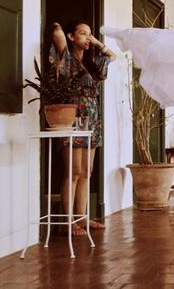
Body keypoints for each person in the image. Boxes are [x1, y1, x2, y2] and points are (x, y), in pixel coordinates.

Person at [50, 20, 116, 235]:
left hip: (93, 118)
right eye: (82, 34)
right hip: (74, 116)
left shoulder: (92, 64)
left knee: (87, 171)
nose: (87, 38)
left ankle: (82, 217)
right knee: (74, 171)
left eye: (89, 34)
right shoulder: (67, 60)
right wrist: (58, 29)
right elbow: (58, 39)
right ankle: (69, 221)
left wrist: (95, 41)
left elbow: (112, 56)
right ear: (72, 36)